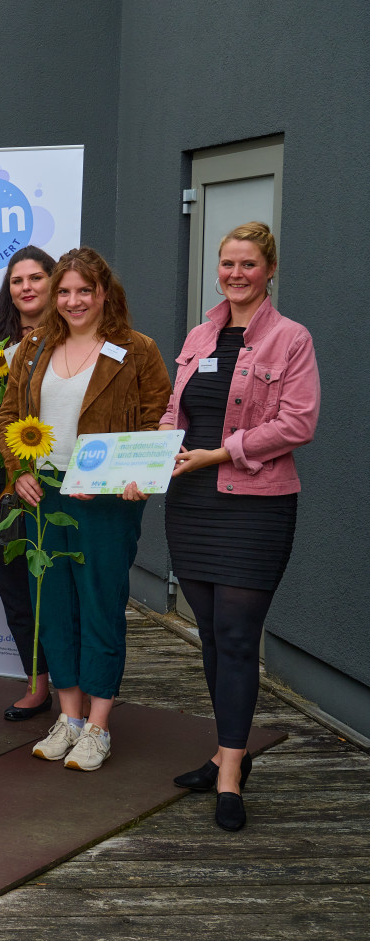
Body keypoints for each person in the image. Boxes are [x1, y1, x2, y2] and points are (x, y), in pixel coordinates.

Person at [160, 222, 317, 831]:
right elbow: (177, 416)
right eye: (227, 263)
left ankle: (230, 774)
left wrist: (221, 453)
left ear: (269, 269)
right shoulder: (201, 334)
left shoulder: (290, 339)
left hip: (254, 504)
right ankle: (227, 749)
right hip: (193, 501)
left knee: (236, 635)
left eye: (248, 264)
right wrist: (145, 459)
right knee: (208, 633)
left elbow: (297, 423)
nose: (235, 274)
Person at [0, 248, 171, 773]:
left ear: (104, 294)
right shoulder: (32, 348)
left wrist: (132, 475)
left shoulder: (135, 350)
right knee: (52, 605)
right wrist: (18, 469)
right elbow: (8, 415)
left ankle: (98, 725)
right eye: (65, 292)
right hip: (42, 495)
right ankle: (68, 717)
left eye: (84, 292)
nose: (73, 301)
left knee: (99, 605)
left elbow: (158, 418)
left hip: (105, 502)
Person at [0, 246, 55, 720]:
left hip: (48, 470)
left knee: (55, 580)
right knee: (12, 580)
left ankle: (75, 687)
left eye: (36, 278)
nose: (26, 287)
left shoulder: (70, 336)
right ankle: (36, 681)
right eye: (18, 280)